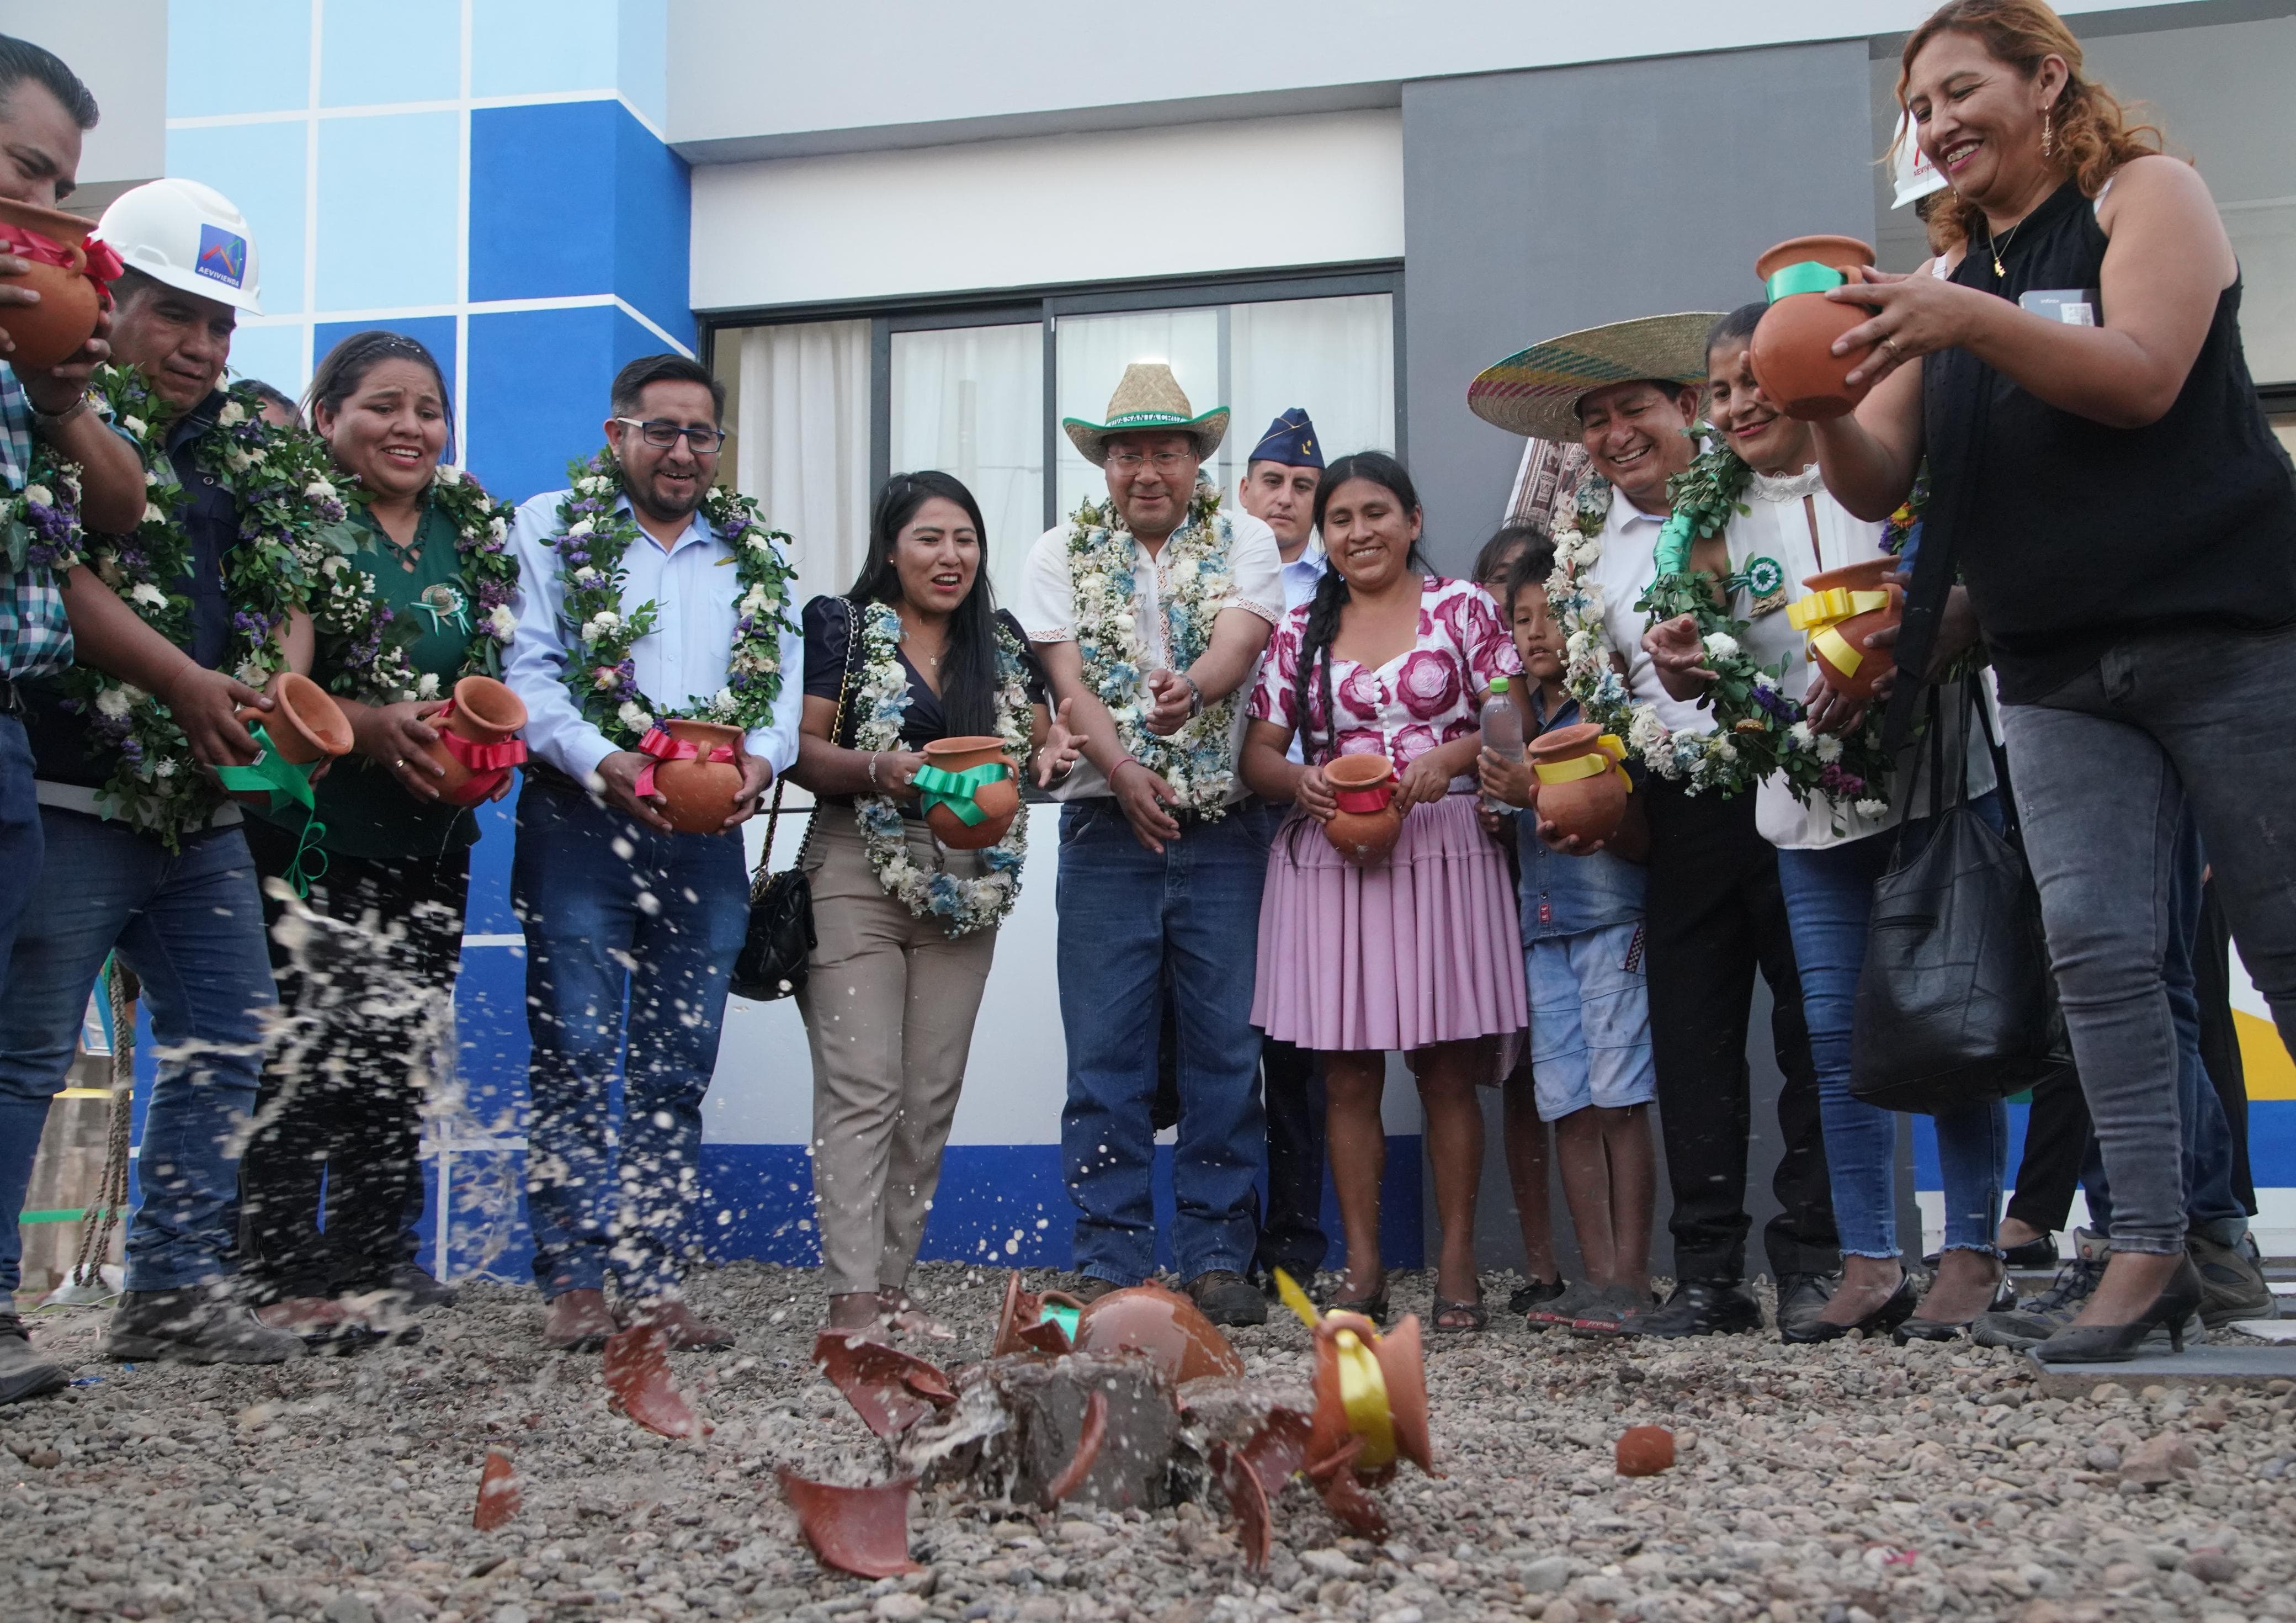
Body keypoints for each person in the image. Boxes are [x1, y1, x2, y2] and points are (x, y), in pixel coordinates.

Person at [1811, 0, 2296, 1360]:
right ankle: (2144, 1252)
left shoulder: (2148, 195)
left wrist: (1958, 316)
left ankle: (2173, 1239)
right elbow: (1877, 474)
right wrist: (1815, 404)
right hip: (2052, 660)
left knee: (2283, 936)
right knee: (2096, 958)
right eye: (1918, 108)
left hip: (2229, 628)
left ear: (2045, 82)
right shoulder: (1953, 269)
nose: (1936, 124)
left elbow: (2142, 379)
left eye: (1960, 91)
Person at [1466, 316, 1840, 1339]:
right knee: (1690, 1039)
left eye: (1634, 408)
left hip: (1793, 774)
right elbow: (1591, 689)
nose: (1615, 433)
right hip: (1673, 809)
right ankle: (1709, 1274)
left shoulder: (1761, 495)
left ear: (1687, 408)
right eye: (1594, 421)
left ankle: (1815, 1260)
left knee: (1813, 1027)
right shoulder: (1587, 551)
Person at [1645, 305, 2011, 1342]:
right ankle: (1866, 1260)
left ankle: (1974, 1252)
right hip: (1802, 807)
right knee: (1836, 1038)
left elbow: (1958, 603)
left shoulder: (1891, 476)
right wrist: (1690, 657)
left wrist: (1896, 658)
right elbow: (1728, 663)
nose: (1740, 404)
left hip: (1935, 787)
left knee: (1954, 1018)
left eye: (1757, 380)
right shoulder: (1710, 516)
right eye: (1720, 391)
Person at [0, 176, 317, 1372]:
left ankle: (176, 1290)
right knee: (27, 1050)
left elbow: (282, 584)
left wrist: (270, 694)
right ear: (105, 297)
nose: (200, 344)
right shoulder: (38, 404)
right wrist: (183, 684)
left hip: (201, 810)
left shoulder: (243, 448)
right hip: (73, 786)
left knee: (230, 1030)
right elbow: (54, 570)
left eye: (221, 324)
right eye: (175, 313)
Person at [504, 353, 801, 1352]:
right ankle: (573, 1277)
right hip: (581, 820)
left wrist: (759, 768)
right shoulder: (552, 527)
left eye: (700, 435)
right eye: (661, 429)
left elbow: (781, 695)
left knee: (677, 1064)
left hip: (705, 836)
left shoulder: (751, 554)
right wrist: (605, 760)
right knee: (578, 1054)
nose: (682, 451)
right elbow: (530, 674)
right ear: (616, 433)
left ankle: (656, 1277)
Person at [235, 330, 518, 1334]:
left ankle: (375, 1253)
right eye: (385, 406)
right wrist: (365, 725)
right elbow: (279, 685)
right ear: (327, 419)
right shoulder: (301, 522)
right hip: (315, 831)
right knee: (309, 1044)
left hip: (432, 840)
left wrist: (486, 752)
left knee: (400, 1045)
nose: (411, 427)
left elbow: (492, 664)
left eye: (428, 410)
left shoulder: (471, 525)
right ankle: (276, 1269)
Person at [1017, 362, 1283, 1325]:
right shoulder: (1059, 551)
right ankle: (1109, 1258)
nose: (1146, 470)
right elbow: (1066, 684)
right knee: (1105, 1053)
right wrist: (1124, 767)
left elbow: (1240, 641)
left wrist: (1196, 690)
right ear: (1104, 464)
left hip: (1224, 832)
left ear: (1196, 459)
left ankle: (1219, 1255)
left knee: (1224, 1048)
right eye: (1127, 452)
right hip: (1102, 831)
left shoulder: (1247, 537)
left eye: (1166, 451)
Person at [1239, 452, 1528, 1330]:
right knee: (1347, 1076)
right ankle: (1362, 1270)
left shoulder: (1466, 610)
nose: (1358, 533)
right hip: (1336, 859)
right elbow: (1256, 756)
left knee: (1446, 1071)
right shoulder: (1299, 631)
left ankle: (1455, 1268)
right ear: (1322, 538)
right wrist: (1302, 785)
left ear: (1412, 519)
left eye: (1376, 514)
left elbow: (1511, 719)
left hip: (1444, 853)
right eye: (1340, 520)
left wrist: (1457, 757)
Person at [791, 470, 1078, 1338]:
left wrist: (1055, 748)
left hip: (966, 871)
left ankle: (892, 1287)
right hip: (852, 864)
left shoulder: (1000, 639)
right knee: (864, 1088)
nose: (950, 556)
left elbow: (1037, 741)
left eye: (965, 539)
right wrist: (883, 769)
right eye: (929, 538)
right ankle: (849, 1302)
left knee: (929, 1094)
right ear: (890, 548)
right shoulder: (840, 628)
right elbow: (801, 753)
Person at [0, 34, 156, 1405]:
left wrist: (61, 388)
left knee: (7, 1044)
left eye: (64, 188)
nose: (46, 210)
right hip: (67, 775)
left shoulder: (28, 349)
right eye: (25, 173)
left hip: (4, 717)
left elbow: (113, 511)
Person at [1478, 540, 1658, 1335]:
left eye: (1554, 615)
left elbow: (1638, 829)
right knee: (1568, 1106)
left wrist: (1537, 794)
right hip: (1541, 930)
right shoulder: (1520, 723)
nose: (1538, 633)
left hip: (1609, 919)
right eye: (1522, 620)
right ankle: (1593, 1281)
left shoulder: (1606, 712)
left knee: (1621, 1102)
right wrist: (1501, 810)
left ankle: (1631, 1278)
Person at [1234, 406, 1328, 1290]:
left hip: (1311, 823)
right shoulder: (1213, 572)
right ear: (1242, 491)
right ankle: (1216, 1243)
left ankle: (1294, 1248)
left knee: (1300, 1047)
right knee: (1221, 1038)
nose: (1287, 500)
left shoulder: (1339, 587)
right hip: (1222, 819)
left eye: (1304, 487)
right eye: (1274, 482)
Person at [1470, 522, 1564, 1316]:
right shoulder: (1484, 701)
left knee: (1592, 1081)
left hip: (1576, 906)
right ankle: (1542, 1266)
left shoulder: (1577, 693)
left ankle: (1610, 1259)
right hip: (1496, 902)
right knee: (1521, 1085)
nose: (1515, 607)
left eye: (1532, 594)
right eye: (1501, 588)